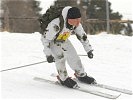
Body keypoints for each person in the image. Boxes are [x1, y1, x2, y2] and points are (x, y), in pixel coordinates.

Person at [41, 6, 96, 88]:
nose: (77, 23)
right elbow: (45, 39)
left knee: (73, 56)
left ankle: (81, 75)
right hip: (53, 41)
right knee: (60, 58)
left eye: (79, 20)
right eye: (75, 20)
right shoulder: (55, 24)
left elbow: (82, 36)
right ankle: (63, 78)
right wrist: (48, 55)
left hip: (63, 39)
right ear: (69, 18)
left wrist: (89, 50)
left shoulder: (76, 24)